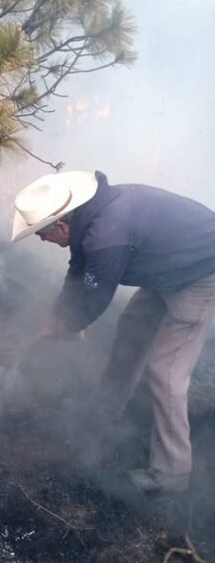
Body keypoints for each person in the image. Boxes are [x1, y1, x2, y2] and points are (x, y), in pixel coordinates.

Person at [11, 170, 215, 493]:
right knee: (132, 326)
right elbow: (77, 274)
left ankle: (172, 473)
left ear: (61, 225)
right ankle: (107, 408)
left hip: (201, 271)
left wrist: (71, 326)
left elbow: (95, 296)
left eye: (42, 234)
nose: (42, 240)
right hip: (167, 270)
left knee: (166, 370)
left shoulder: (105, 236)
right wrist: (58, 317)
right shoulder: (87, 220)